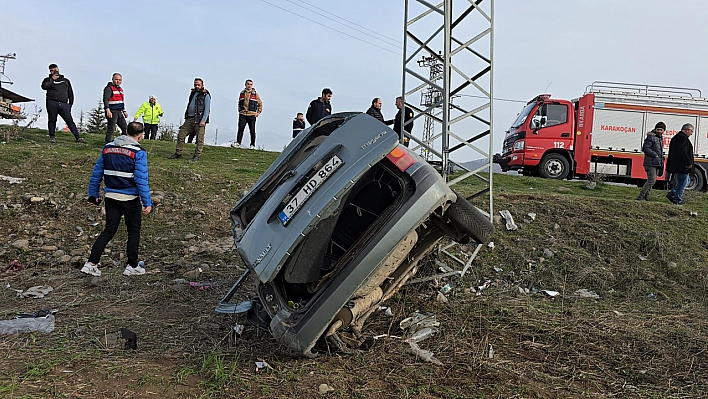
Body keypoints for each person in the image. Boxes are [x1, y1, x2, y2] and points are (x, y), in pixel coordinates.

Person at [82, 121, 152, 277]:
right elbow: (141, 180)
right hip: (130, 198)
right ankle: (132, 266)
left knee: (109, 230)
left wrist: (93, 195)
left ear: (125, 131)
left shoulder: (107, 148)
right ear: (140, 136)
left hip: (111, 197)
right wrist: (147, 202)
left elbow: (97, 173)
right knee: (133, 231)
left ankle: (91, 263)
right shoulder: (138, 152)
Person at [40, 64, 86, 143]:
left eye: (55, 70)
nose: (54, 71)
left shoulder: (65, 80)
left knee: (69, 121)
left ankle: (78, 137)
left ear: (58, 69)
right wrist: (52, 80)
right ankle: (52, 137)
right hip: (52, 102)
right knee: (52, 120)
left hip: (64, 104)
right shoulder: (47, 80)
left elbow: (70, 93)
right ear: (50, 71)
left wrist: (70, 104)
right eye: (52, 70)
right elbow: (44, 87)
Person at [168, 78, 211, 162]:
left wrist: (203, 120)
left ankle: (197, 155)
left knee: (199, 138)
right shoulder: (193, 93)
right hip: (190, 118)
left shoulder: (206, 95)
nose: (196, 86)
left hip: (199, 119)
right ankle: (178, 153)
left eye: (198, 85)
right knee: (181, 134)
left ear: (202, 85)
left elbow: (207, 109)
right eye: (195, 84)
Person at [665, 123, 695, 205]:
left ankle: (673, 192)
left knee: (687, 181)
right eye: (691, 131)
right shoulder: (682, 138)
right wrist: (688, 163)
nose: (691, 133)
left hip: (679, 164)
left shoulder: (678, 137)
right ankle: (677, 199)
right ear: (687, 130)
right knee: (682, 182)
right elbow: (682, 152)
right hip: (682, 165)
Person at [637, 121, 665, 201]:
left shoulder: (660, 139)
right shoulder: (650, 137)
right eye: (658, 129)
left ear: (663, 131)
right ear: (655, 129)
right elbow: (645, 148)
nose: (659, 131)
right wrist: (655, 155)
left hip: (656, 162)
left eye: (661, 130)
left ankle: (646, 196)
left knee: (653, 181)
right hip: (650, 163)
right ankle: (640, 196)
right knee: (651, 180)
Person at [234, 79, 263, 149]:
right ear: (245, 85)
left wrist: (258, 112)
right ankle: (238, 142)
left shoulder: (255, 94)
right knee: (240, 129)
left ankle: (252, 144)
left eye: (250, 84)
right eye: (248, 84)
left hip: (252, 114)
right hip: (243, 114)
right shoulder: (242, 93)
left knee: (252, 130)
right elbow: (239, 102)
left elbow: (260, 103)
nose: (249, 85)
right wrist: (239, 110)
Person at [103, 73, 129, 143]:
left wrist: (124, 111)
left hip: (119, 111)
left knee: (125, 128)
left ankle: (122, 142)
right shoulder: (109, 88)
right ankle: (108, 143)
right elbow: (106, 99)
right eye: (116, 79)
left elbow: (121, 101)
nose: (118, 81)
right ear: (113, 79)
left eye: (120, 80)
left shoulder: (120, 89)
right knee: (111, 128)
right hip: (112, 111)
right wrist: (107, 110)